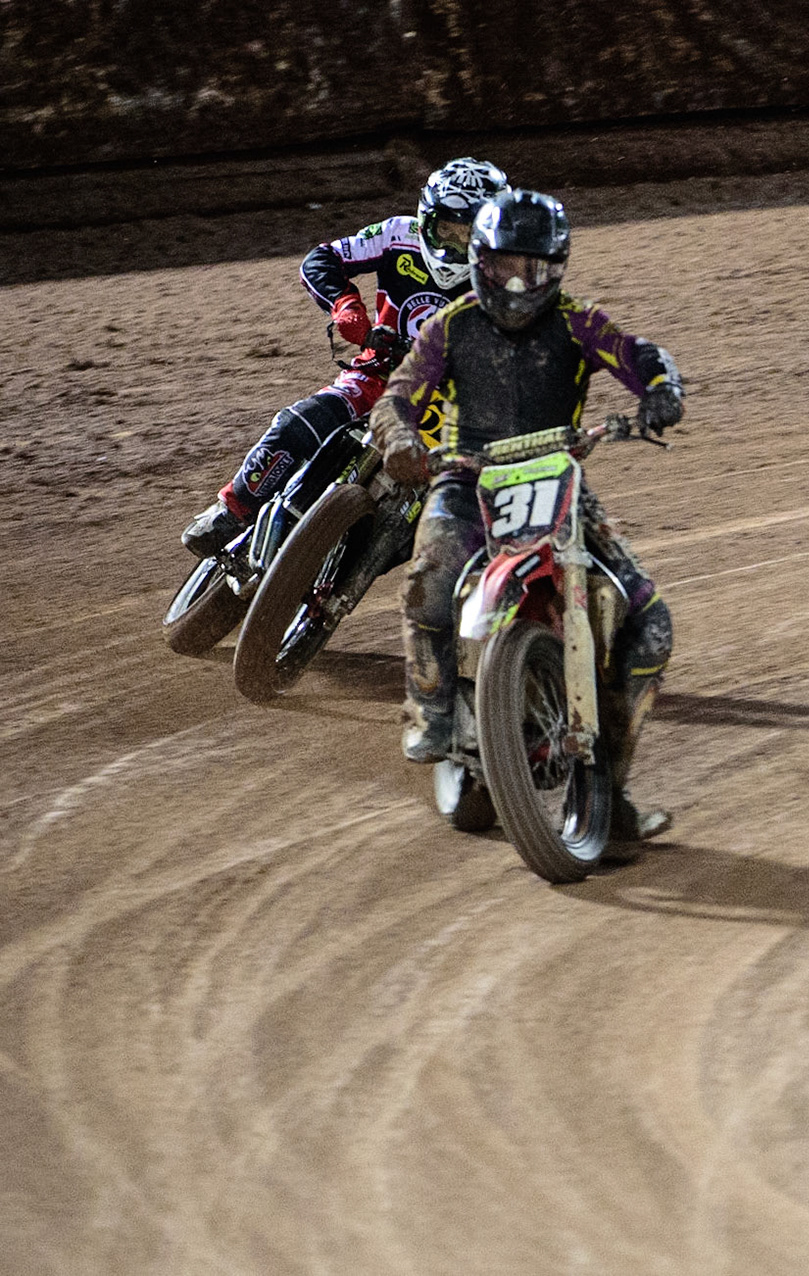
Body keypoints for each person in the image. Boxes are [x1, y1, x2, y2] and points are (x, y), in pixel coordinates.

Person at [369, 188, 685, 844]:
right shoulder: (450, 325)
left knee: (649, 622)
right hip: (465, 481)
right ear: (479, 260)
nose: (519, 282)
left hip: (560, 480)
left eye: (535, 268)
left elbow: (641, 356)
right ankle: (430, 709)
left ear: (557, 267)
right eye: (505, 266)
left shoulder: (578, 322)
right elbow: (397, 395)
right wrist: (399, 441)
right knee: (429, 578)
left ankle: (614, 794)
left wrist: (660, 392)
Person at [181, 157, 509, 555]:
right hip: (375, 375)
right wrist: (346, 307)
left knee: (454, 528)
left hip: (448, 414)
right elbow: (322, 259)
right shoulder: (396, 235)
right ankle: (232, 509)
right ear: (427, 219)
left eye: (470, 235)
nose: (457, 244)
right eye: (448, 231)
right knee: (298, 423)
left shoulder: (507, 284)